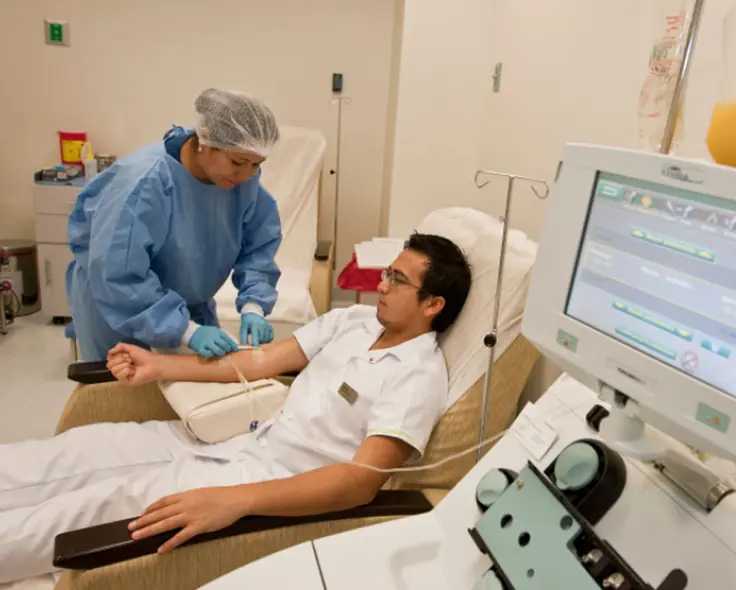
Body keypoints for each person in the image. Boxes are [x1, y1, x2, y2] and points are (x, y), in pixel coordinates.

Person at [0, 233, 472, 583]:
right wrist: (159, 365)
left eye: (397, 280)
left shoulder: (417, 377)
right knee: (85, 448)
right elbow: (261, 361)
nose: (382, 285)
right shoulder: (354, 321)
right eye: (387, 273)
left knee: (97, 502)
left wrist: (234, 500)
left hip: (266, 482)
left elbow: (359, 483)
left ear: (433, 304)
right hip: (239, 440)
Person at [67, 88, 284, 362]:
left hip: (185, 304)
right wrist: (184, 330)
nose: (247, 174)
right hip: (119, 304)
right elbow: (117, 273)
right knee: (123, 384)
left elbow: (259, 245)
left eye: (257, 164)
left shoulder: (240, 182)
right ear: (205, 140)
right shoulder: (143, 183)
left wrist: (254, 305)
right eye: (238, 162)